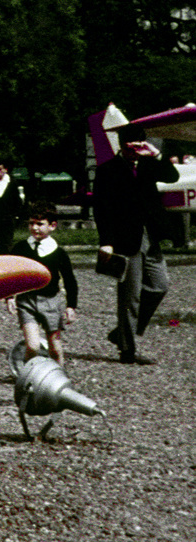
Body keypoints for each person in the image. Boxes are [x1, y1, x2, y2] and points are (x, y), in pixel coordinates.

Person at [94, 128, 179, 365]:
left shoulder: (148, 164)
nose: (136, 145)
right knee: (130, 297)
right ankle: (127, 350)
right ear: (122, 144)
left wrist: (157, 155)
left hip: (150, 236)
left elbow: (172, 177)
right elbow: (101, 208)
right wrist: (106, 241)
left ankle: (121, 332)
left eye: (140, 141)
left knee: (160, 285)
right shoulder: (107, 170)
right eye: (132, 141)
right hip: (124, 239)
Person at [5, 202, 77, 366]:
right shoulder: (21, 248)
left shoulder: (58, 252)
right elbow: (9, 273)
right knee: (33, 345)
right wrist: (9, 297)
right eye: (31, 223)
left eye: (40, 224)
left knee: (55, 348)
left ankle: (58, 376)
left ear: (52, 226)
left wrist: (71, 306)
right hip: (26, 300)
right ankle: (27, 375)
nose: (35, 228)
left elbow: (70, 280)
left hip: (51, 302)